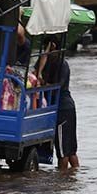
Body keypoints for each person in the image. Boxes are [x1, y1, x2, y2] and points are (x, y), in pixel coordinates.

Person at [40, 39, 79, 170]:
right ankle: (73, 177)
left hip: (63, 109)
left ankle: (61, 182)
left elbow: (59, 86)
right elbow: (37, 71)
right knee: (70, 150)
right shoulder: (50, 63)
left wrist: (43, 84)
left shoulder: (62, 64)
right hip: (66, 108)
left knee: (64, 152)